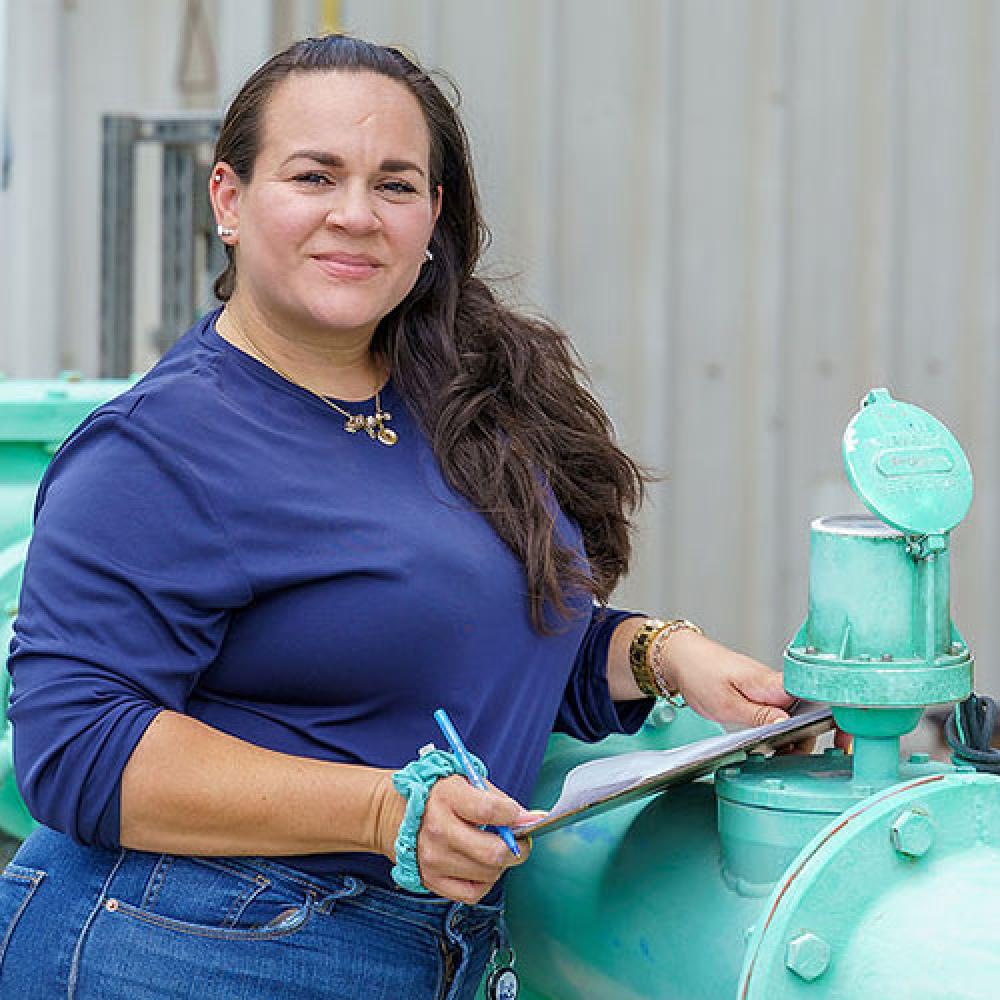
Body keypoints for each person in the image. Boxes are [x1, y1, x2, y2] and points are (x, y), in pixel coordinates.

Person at [0, 34, 798, 1000]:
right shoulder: (156, 449)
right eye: (314, 175)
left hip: (424, 950)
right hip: (179, 943)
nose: (354, 214)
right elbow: (75, 746)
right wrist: (387, 812)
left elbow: (471, 646)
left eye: (394, 184)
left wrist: (661, 655)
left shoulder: (454, 407)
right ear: (228, 202)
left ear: (432, 220)